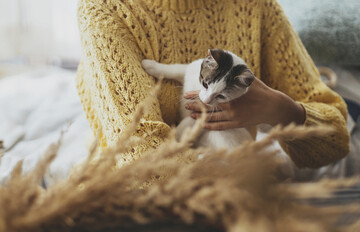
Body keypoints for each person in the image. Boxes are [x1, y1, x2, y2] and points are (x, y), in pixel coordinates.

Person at [76, 0, 349, 168]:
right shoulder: (105, 9)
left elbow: (335, 140)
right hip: (151, 199)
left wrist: (283, 110)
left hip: (236, 178)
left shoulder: (256, 7)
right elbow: (140, 160)